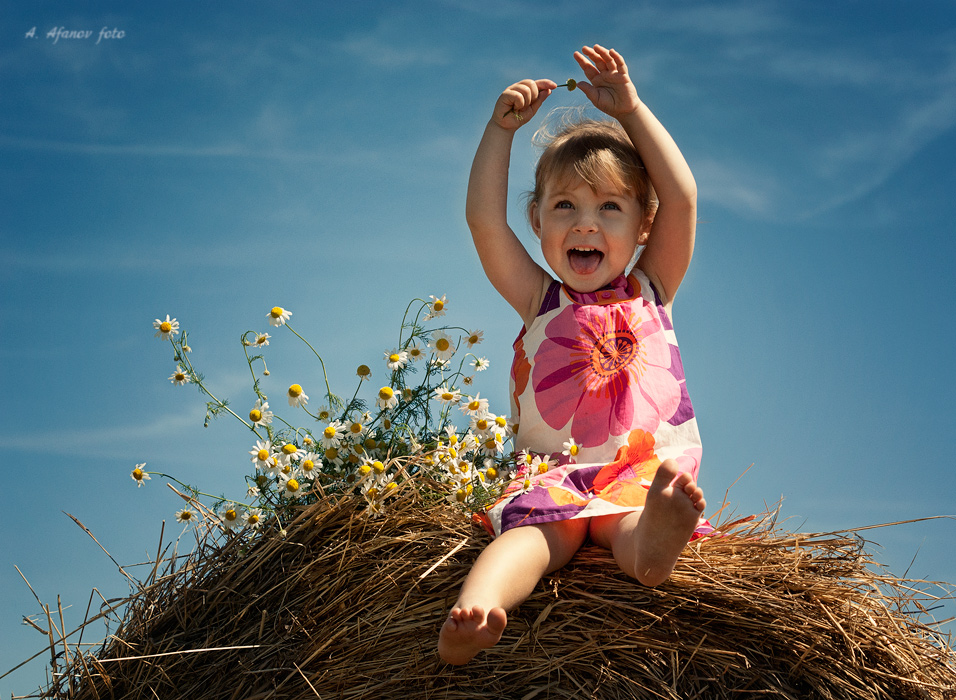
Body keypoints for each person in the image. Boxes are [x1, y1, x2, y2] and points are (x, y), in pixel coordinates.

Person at [438, 44, 708, 666]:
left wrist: (631, 108)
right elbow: (484, 222)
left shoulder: (652, 289)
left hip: (638, 470)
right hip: (550, 473)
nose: (586, 224)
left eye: (610, 207)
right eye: (565, 207)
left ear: (644, 225)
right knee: (529, 538)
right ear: (536, 220)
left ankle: (658, 542)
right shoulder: (540, 298)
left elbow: (685, 197)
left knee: (630, 529)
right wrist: (499, 131)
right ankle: (478, 609)